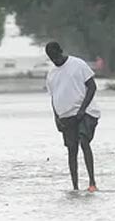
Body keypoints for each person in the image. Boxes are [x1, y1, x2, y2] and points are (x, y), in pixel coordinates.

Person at [44, 41, 100, 192]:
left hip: (85, 112)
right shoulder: (51, 74)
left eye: (55, 55)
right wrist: (56, 118)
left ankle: (92, 183)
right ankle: (75, 187)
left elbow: (92, 86)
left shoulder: (78, 64)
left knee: (84, 141)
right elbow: (53, 97)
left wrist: (82, 109)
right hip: (65, 116)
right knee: (71, 149)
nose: (54, 59)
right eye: (50, 57)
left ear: (60, 51)